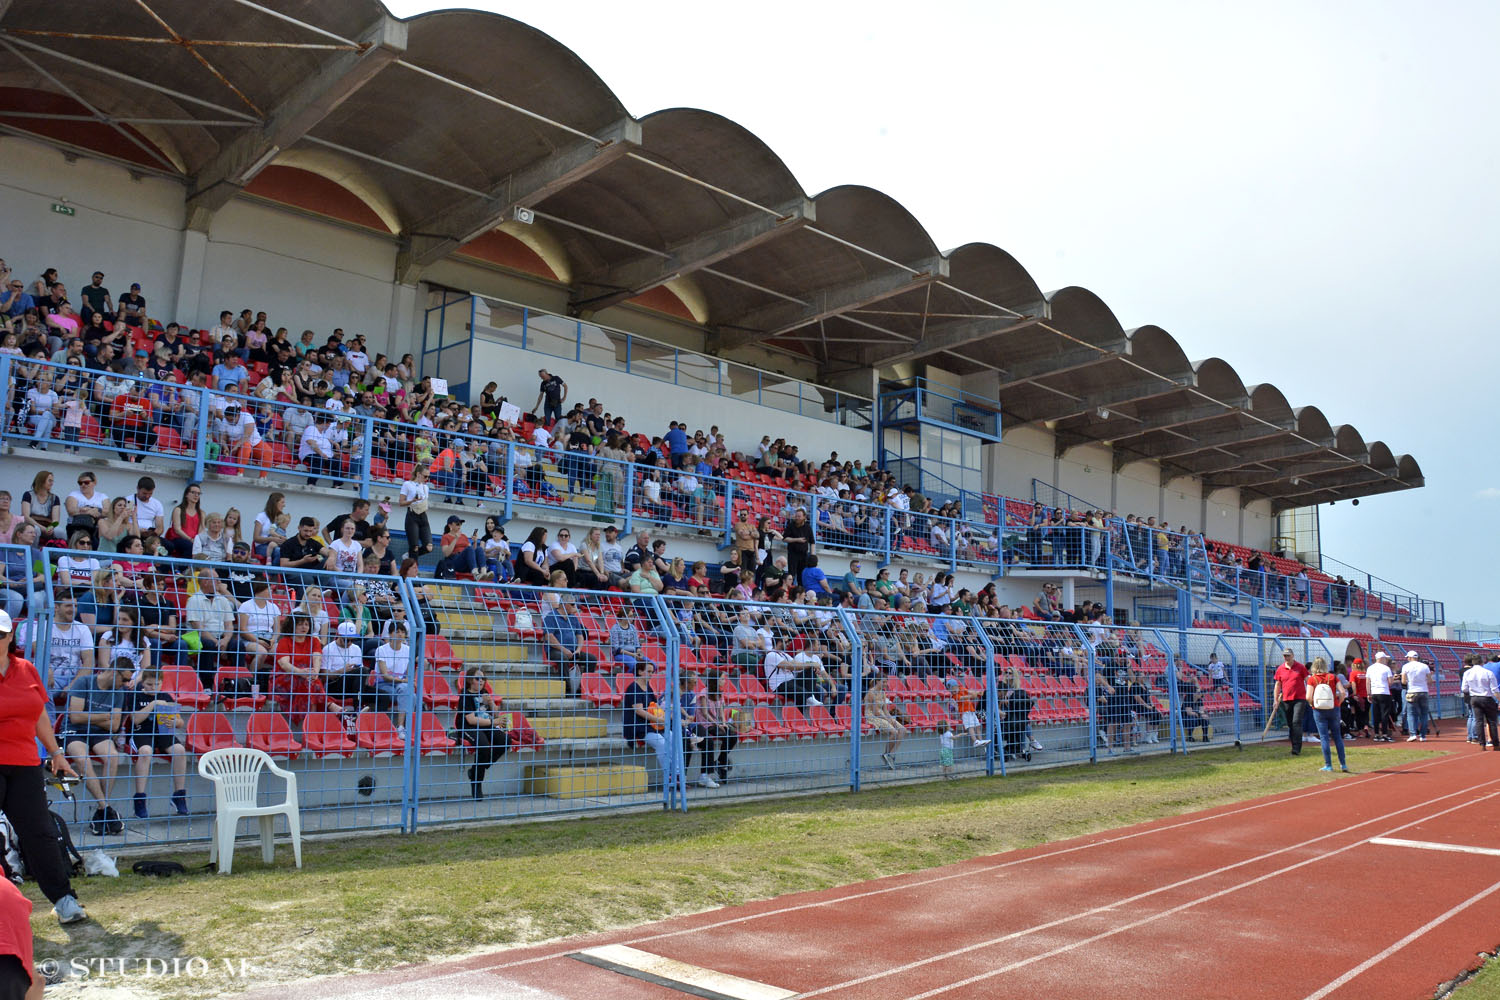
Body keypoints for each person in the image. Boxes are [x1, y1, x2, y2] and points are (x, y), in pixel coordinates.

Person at [0, 609, 89, 925]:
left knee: (40, 833)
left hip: (25, 763)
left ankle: (64, 900)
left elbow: (38, 714)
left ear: (11, 636)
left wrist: (56, 752)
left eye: (0, 634)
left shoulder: (26, 670)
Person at [65, 657, 131, 836]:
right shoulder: (84, 682)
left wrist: (89, 716)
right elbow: (75, 718)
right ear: (114, 672)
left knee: (112, 757)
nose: (126, 684)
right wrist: (104, 716)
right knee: (83, 760)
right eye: (124, 679)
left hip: (98, 732)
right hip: (74, 730)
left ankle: (102, 810)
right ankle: (106, 809)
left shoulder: (119, 691)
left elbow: (115, 726)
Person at [123, 671, 189, 818]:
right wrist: (153, 704)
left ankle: (179, 795)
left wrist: (175, 722)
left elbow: (180, 722)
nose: (153, 687)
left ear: (162, 683)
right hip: (141, 733)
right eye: (149, 684)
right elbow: (135, 720)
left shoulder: (166, 696)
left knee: (180, 750)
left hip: (162, 732)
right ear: (142, 683)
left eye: (157, 684)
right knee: (146, 751)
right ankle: (140, 799)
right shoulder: (135, 696)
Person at [456, 666, 508, 799]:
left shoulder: (484, 692)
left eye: (483, 678)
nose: (481, 681)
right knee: (483, 747)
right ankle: (477, 783)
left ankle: (476, 770)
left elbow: (495, 714)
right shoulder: (465, 696)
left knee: (505, 740)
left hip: (485, 725)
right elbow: (471, 720)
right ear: (470, 680)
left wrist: (491, 703)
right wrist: (493, 722)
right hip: (468, 727)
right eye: (477, 678)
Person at [1306, 656, 1350, 772]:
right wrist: (1339, 703)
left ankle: (1328, 765)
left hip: (1319, 709)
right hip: (1333, 707)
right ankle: (1343, 764)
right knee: (1337, 736)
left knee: (1324, 737)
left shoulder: (1312, 679)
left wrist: (1312, 704)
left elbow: (1308, 696)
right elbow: (1342, 692)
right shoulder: (1333, 677)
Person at [695, 673, 739, 785]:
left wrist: (723, 723)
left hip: (717, 724)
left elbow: (721, 711)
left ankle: (720, 761)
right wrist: (717, 724)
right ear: (716, 680)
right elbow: (704, 713)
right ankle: (721, 766)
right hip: (706, 724)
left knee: (733, 736)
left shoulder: (719, 693)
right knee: (725, 736)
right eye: (722, 679)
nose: (725, 681)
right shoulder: (704, 693)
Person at [372, 621, 412, 741]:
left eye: (402, 632)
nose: (400, 634)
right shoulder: (381, 650)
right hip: (384, 684)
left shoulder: (408, 650)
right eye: (397, 632)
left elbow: (409, 674)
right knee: (408, 694)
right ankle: (401, 727)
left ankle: (402, 727)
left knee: (411, 694)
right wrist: (403, 680)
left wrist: (406, 681)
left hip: (400, 684)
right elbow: (385, 676)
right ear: (390, 634)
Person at [863, 672, 907, 770]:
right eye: (883, 682)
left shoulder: (882, 692)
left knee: (902, 729)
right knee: (894, 732)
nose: (885, 684)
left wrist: (890, 718)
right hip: (872, 716)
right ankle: (886, 753)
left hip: (882, 715)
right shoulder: (871, 693)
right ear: (877, 681)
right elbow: (875, 712)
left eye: (886, 682)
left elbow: (885, 709)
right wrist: (887, 719)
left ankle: (891, 754)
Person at [1270, 649, 1309, 755]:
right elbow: (1278, 685)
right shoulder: (1280, 669)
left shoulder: (1300, 667)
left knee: (1296, 722)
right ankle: (1293, 744)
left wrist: (1310, 694)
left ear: (1293, 655)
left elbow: (1308, 681)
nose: (1286, 658)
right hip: (1287, 699)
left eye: (1288, 655)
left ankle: (1296, 748)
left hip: (1300, 699)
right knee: (1291, 723)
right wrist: (1275, 700)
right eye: (1285, 656)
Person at [1462, 656, 1500, 750]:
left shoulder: (1467, 673)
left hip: (1474, 698)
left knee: (1478, 721)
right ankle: (1495, 743)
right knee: (1491, 721)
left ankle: (1482, 744)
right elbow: (1494, 689)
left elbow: (1464, 689)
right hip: (1487, 698)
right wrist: (1499, 699)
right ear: (1482, 662)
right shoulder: (1488, 673)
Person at [398, 462, 433, 558]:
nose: (426, 479)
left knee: (429, 546)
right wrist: (412, 501)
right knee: (414, 546)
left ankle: (409, 556)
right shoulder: (407, 484)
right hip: (412, 514)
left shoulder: (425, 487)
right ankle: (412, 561)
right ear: (418, 474)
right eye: (425, 476)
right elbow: (401, 502)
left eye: (428, 477)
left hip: (423, 515)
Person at [1367, 651, 1396, 742]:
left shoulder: (1370, 668)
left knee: (1376, 714)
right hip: (1384, 692)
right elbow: (1390, 682)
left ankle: (1376, 734)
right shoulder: (1386, 668)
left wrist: (1369, 693)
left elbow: (1368, 682)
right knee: (1384, 714)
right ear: (1382, 658)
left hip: (1374, 692)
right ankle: (1384, 733)